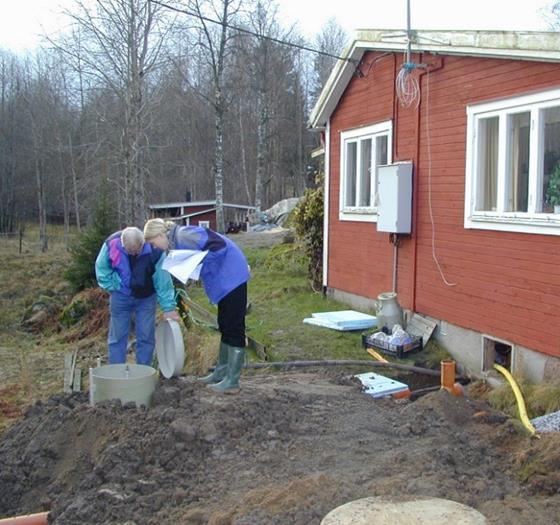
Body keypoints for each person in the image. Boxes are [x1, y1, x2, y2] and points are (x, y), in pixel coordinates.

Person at [143, 218, 249, 394]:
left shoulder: (185, 235)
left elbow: (219, 246)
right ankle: (221, 372)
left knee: (234, 326)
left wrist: (199, 261)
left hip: (232, 276)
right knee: (224, 324)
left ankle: (232, 381)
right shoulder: (176, 241)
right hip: (224, 279)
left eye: (154, 243)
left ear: (161, 235)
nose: (156, 248)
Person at [95, 226, 179, 366]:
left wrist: (168, 308)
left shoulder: (155, 251)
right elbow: (101, 268)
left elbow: (163, 281)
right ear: (123, 245)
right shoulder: (112, 244)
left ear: (143, 243)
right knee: (117, 337)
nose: (133, 254)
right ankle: (116, 372)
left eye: (137, 251)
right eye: (130, 251)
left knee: (146, 336)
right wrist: (113, 285)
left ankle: (144, 372)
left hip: (146, 298)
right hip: (121, 297)